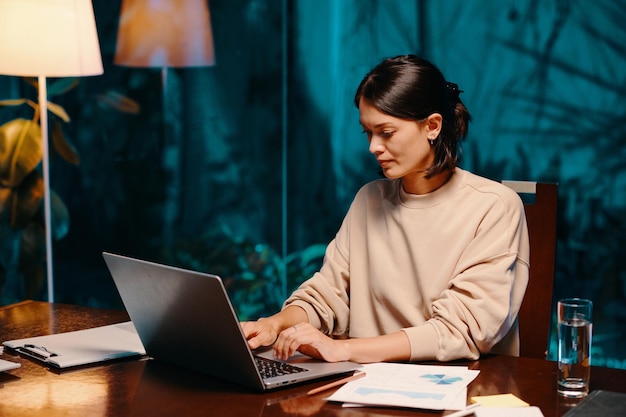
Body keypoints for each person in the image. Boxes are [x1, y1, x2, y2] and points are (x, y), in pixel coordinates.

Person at [242, 54, 529, 364]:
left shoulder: (494, 206)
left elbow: (463, 329)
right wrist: (275, 324)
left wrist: (344, 350)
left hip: (462, 391)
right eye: (368, 132)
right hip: (364, 390)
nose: (373, 147)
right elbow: (327, 295)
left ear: (432, 126)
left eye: (386, 133)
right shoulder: (370, 200)